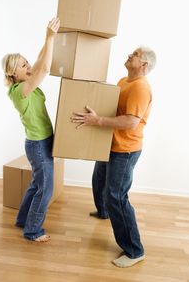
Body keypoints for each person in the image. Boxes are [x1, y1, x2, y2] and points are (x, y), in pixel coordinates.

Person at [71, 46, 156, 267]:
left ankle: (135, 250)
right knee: (98, 181)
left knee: (116, 196)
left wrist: (97, 121)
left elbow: (130, 122)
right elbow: (112, 108)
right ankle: (104, 212)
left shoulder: (140, 88)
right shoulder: (123, 81)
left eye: (135, 55)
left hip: (125, 149)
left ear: (144, 65)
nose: (130, 55)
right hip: (110, 143)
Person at [2, 17, 60, 242]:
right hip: (37, 145)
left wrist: (48, 40)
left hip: (43, 142)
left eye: (27, 63)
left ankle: (23, 220)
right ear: (13, 74)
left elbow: (39, 61)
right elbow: (44, 68)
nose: (28, 67)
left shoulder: (27, 82)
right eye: (23, 65)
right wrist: (50, 37)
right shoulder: (19, 90)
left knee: (37, 183)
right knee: (45, 189)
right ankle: (32, 231)